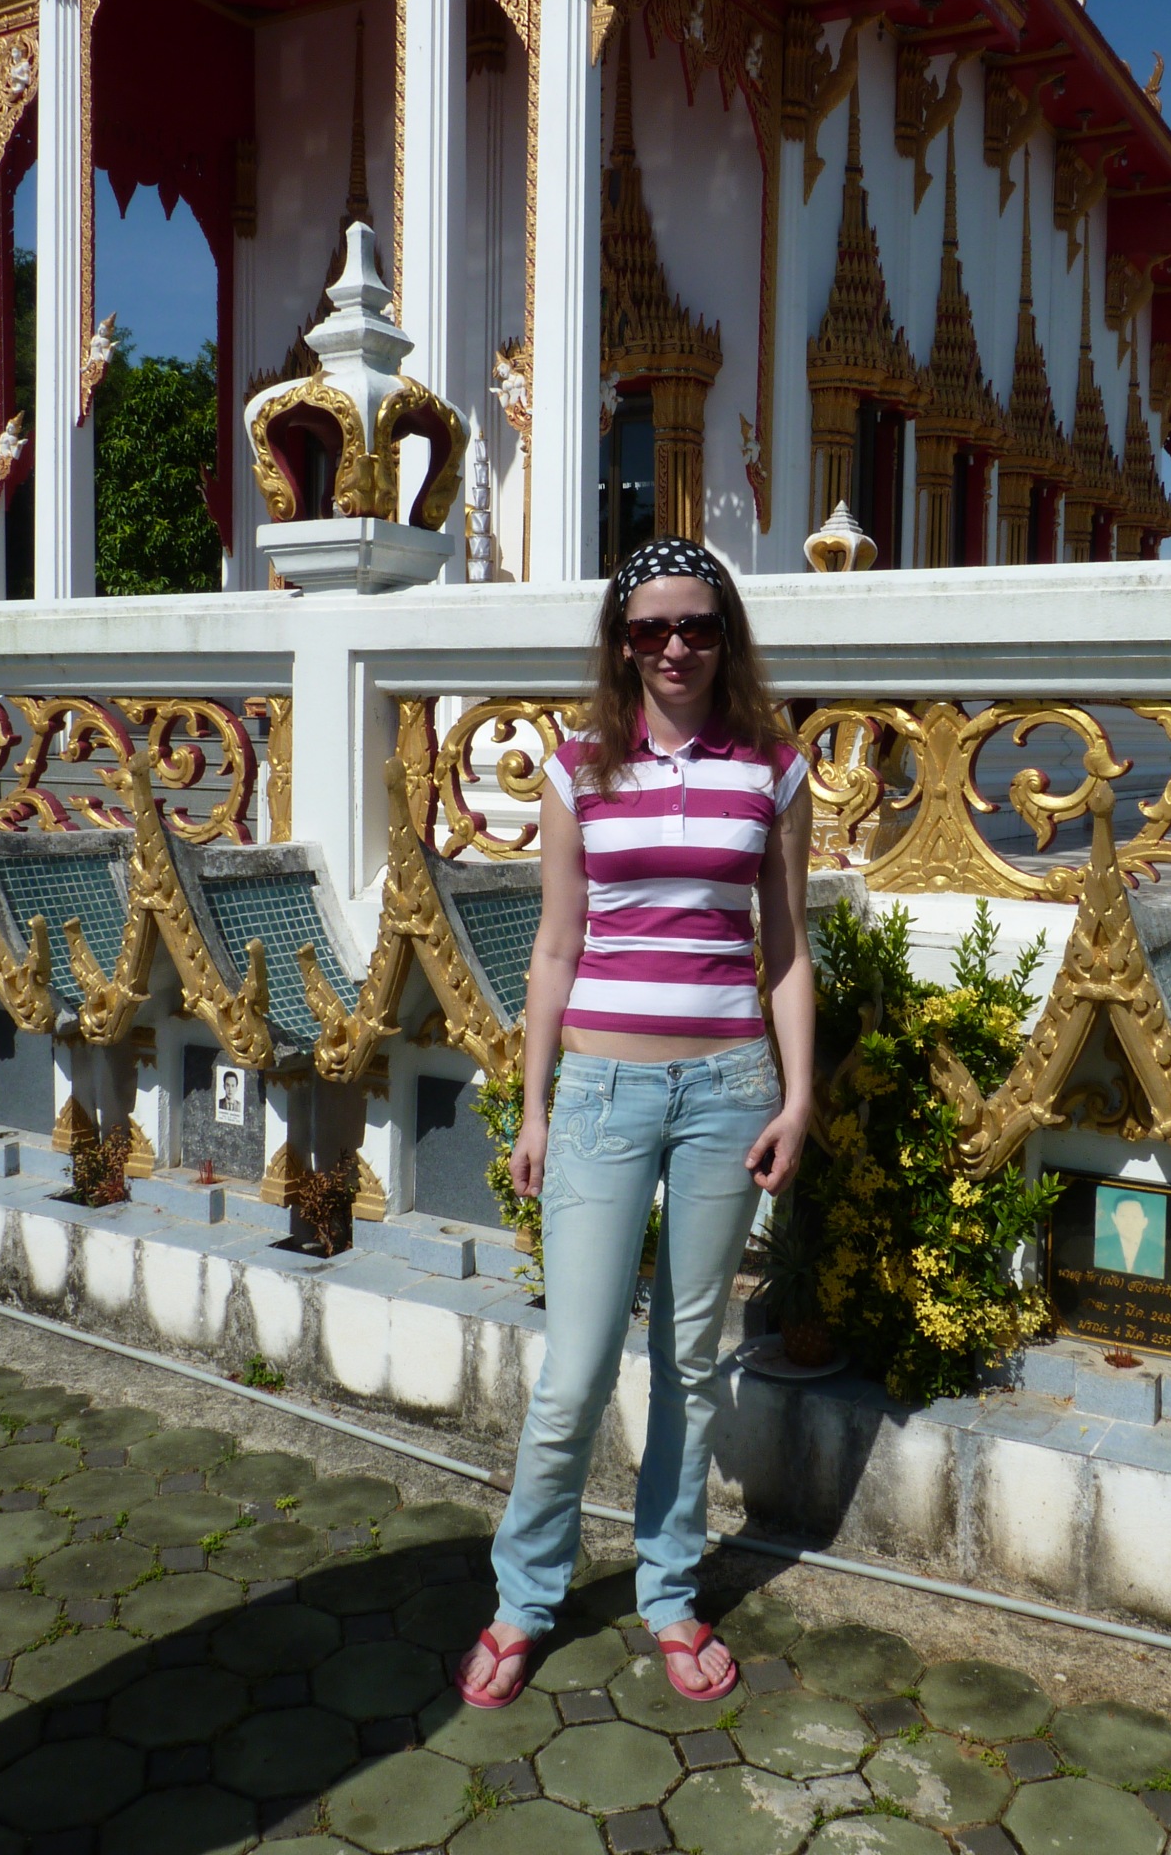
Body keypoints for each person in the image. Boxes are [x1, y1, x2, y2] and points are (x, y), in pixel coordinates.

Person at [459, 537, 814, 1709]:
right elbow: (555, 947)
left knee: (692, 1360)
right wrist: (533, 1104)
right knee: (574, 1371)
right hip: (603, 1090)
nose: (675, 646)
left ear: (726, 637)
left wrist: (797, 1095)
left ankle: (668, 1589)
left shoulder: (773, 767)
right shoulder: (578, 768)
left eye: (697, 625)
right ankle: (524, 1598)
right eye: (652, 626)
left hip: (728, 1089)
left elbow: (785, 948)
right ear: (621, 642)